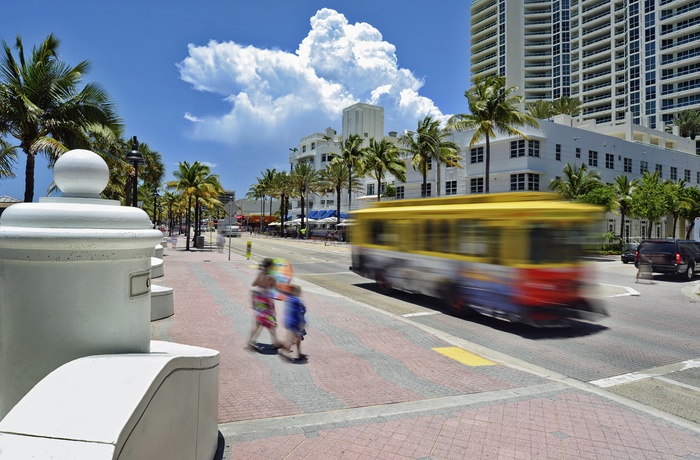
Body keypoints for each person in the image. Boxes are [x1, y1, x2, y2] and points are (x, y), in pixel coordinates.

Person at [247, 258, 280, 349]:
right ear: (269, 267)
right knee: (271, 321)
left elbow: (254, 284)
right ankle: (275, 343)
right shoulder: (270, 277)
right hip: (267, 301)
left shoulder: (260, 274)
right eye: (272, 266)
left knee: (259, 322)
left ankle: (251, 341)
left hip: (258, 301)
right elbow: (276, 289)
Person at [279, 283, 307, 361]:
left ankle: (299, 353)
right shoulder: (297, 301)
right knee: (292, 340)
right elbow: (302, 311)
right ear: (296, 292)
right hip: (295, 323)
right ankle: (284, 352)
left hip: (289, 322)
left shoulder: (289, 299)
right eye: (299, 292)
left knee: (297, 338)